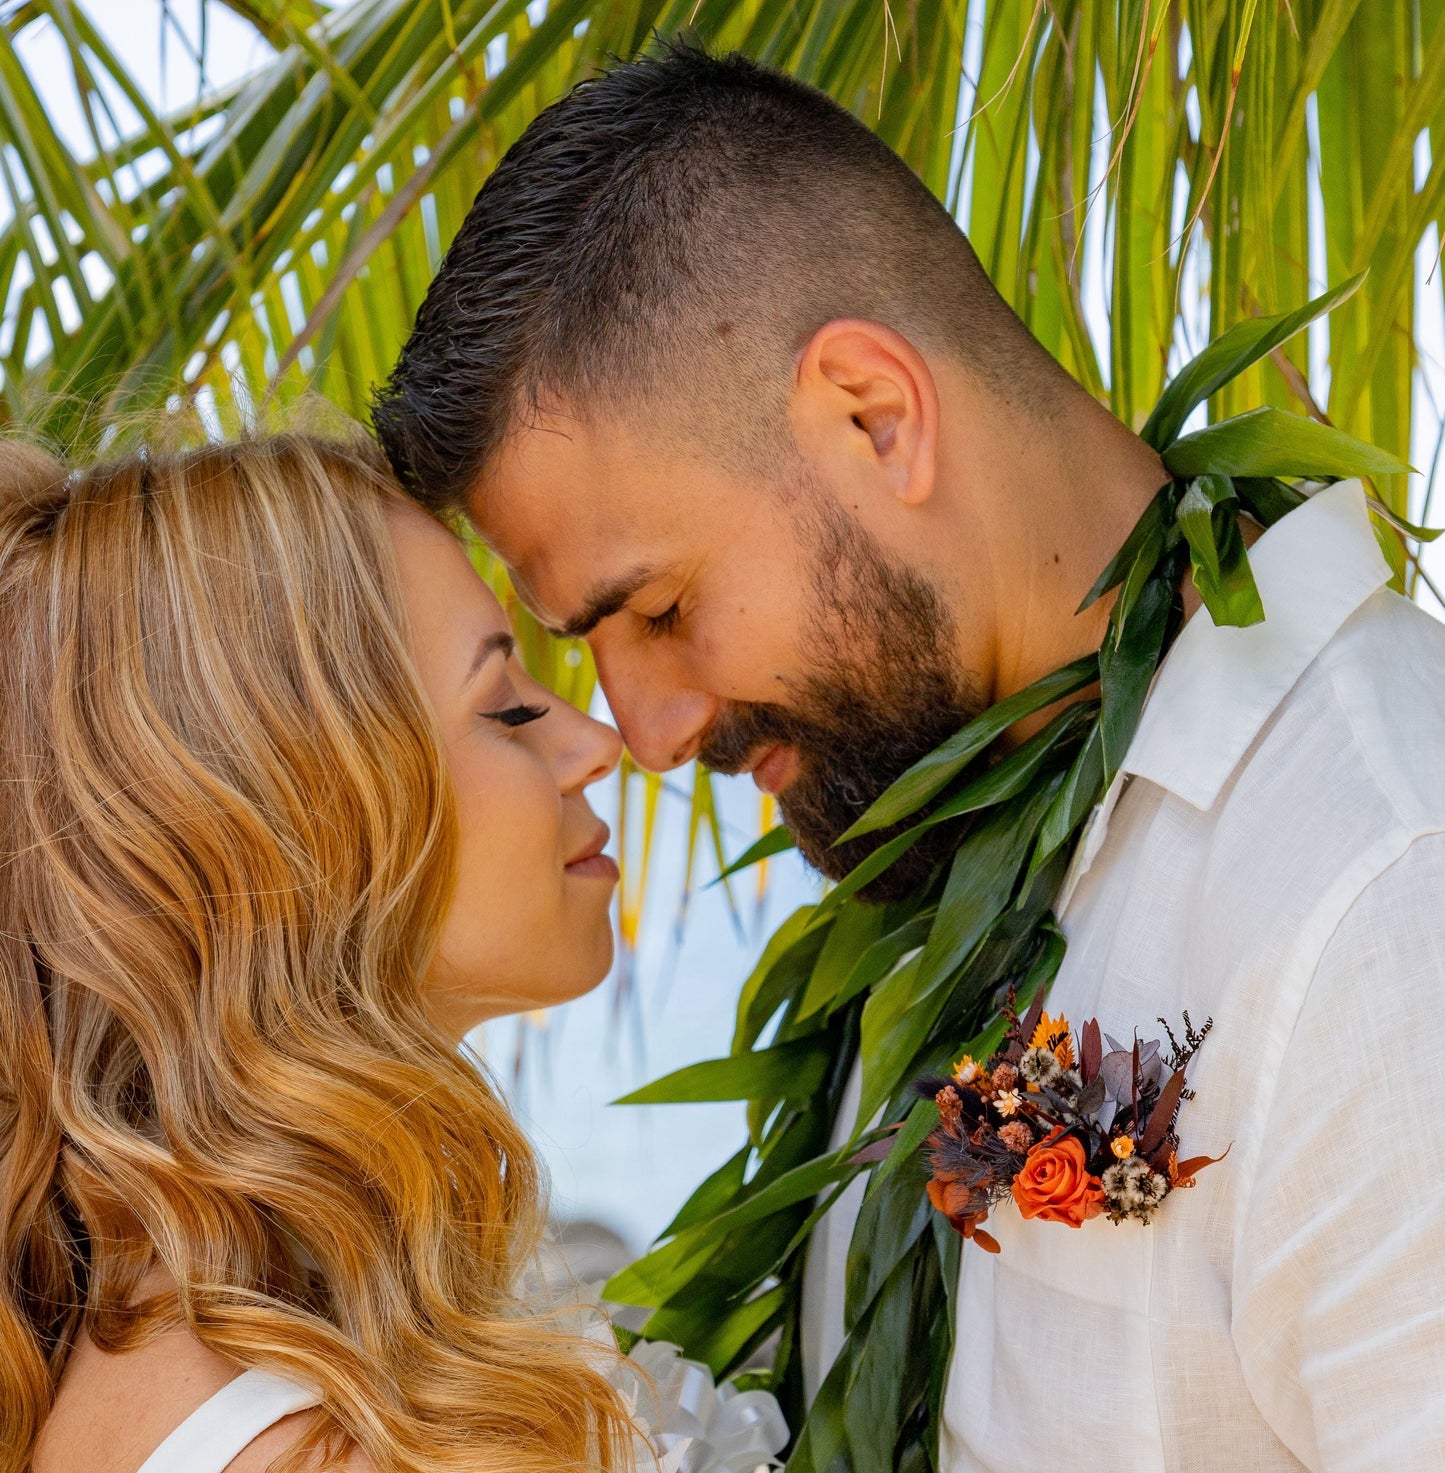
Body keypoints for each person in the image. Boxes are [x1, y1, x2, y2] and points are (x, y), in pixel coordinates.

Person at [373, 41, 1445, 1473]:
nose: (645, 731)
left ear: (875, 415)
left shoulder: (1378, 905)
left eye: (659, 610)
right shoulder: (931, 831)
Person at [3, 429, 633, 1473]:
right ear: (295, 827)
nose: (591, 742)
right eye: (506, 707)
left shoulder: (204, 1354)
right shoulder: (316, 1448)